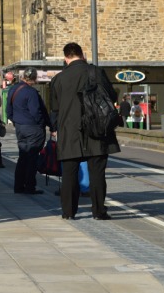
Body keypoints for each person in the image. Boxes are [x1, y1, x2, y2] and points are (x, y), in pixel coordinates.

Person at [49, 42, 119, 220]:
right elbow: (111, 96)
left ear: (65, 58)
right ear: (83, 55)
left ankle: (68, 212)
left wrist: (54, 129)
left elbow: (55, 108)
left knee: (69, 173)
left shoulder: (58, 79)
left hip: (69, 129)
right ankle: (98, 211)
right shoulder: (95, 72)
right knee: (97, 172)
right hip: (96, 127)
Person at [10, 68, 52, 194]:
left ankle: (18, 186)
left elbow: (9, 111)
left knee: (23, 156)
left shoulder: (13, 90)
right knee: (32, 157)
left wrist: (17, 122)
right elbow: (36, 112)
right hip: (33, 128)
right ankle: (29, 186)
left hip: (20, 127)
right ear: (34, 78)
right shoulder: (31, 92)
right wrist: (42, 124)